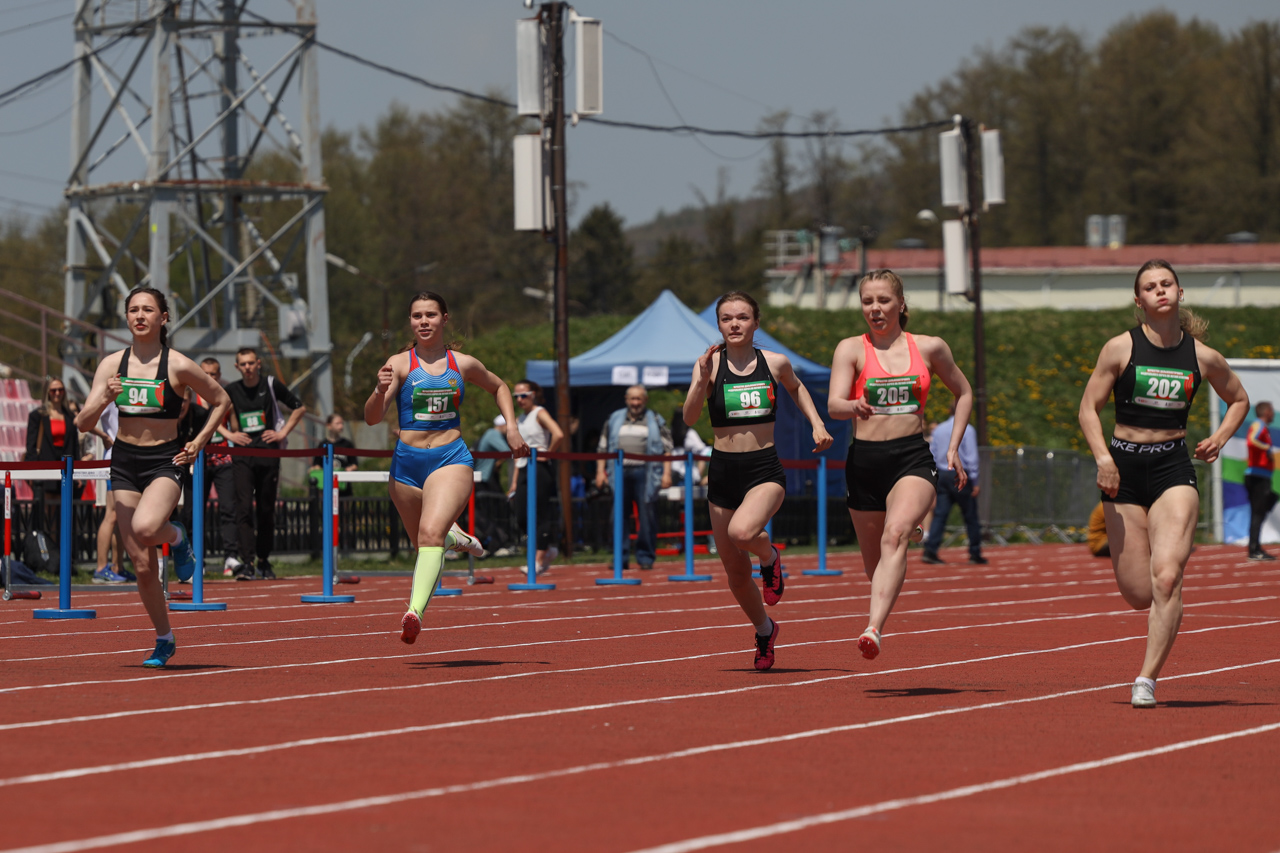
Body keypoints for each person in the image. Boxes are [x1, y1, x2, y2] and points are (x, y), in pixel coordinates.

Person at [1078, 259, 1249, 708]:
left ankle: (1146, 679)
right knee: (1138, 593)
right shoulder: (1119, 348)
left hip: (1173, 467)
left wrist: (1219, 437)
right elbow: (1087, 409)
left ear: (1179, 292)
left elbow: (1239, 398)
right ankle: (1159, 610)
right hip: (1123, 472)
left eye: (1166, 283)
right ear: (1139, 301)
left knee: (1168, 577)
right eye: (1150, 286)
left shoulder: (1202, 356)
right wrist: (1103, 458)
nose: (1160, 290)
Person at [75, 286, 231, 668]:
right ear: (126, 318)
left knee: (147, 529)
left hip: (165, 459)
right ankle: (164, 638)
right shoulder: (111, 365)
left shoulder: (177, 364)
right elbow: (82, 422)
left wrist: (198, 441)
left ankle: (177, 537)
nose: (140, 316)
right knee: (141, 564)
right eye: (133, 310)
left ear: (164, 318)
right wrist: (103, 399)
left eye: (148, 310)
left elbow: (222, 400)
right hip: (125, 461)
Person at [364, 291, 527, 645]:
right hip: (406, 465)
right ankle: (457, 538)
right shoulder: (400, 363)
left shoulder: (462, 364)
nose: (423, 321)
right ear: (410, 322)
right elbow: (373, 419)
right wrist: (378, 392)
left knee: (429, 537)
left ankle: (414, 613)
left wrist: (512, 429)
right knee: (425, 544)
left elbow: (499, 386)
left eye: (430, 315)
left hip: (450, 458)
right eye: (417, 316)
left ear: (444, 319)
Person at [829, 269, 975, 663]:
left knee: (894, 534)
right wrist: (853, 406)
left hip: (911, 457)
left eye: (883, 301)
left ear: (901, 304)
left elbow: (963, 392)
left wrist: (954, 448)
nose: (875, 309)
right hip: (864, 463)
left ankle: (872, 629)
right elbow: (833, 404)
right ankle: (901, 543)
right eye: (867, 302)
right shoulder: (851, 349)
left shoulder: (929, 348)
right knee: (874, 566)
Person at [684, 291, 833, 671]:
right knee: (734, 572)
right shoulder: (709, 365)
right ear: (718, 324)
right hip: (722, 471)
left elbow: (797, 388)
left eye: (743, 317)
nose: (734, 324)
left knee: (743, 531)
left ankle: (769, 556)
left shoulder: (776, 362)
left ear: (756, 322)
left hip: (763, 468)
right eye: (727, 318)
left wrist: (817, 424)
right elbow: (689, 418)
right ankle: (765, 630)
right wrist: (701, 380)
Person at [221, 347, 306, 581]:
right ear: (237, 367)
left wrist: (282, 433)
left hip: (268, 454)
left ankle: (264, 560)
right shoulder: (231, 390)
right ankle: (247, 562)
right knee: (244, 508)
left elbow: (299, 407)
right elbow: (214, 417)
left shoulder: (270, 384)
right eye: (243, 364)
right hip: (242, 455)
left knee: (266, 509)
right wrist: (230, 436)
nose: (247, 368)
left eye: (251, 363)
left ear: (258, 363)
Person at [595, 385, 673, 571]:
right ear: (626, 399)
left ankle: (645, 557)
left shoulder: (654, 419)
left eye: (639, 399)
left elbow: (668, 448)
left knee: (647, 515)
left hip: (646, 472)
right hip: (618, 472)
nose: (635, 403)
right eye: (632, 399)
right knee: (618, 516)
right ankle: (619, 558)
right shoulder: (614, 418)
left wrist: (666, 474)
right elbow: (602, 447)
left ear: (645, 400)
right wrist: (600, 472)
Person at [509, 380, 564, 573]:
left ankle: (539, 559)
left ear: (533, 395)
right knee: (522, 515)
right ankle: (548, 548)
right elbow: (517, 453)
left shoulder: (539, 413)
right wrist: (514, 481)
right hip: (524, 466)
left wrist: (547, 453)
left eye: (524, 395)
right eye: (516, 396)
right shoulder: (519, 419)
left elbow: (558, 434)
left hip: (539, 467)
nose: (520, 400)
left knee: (540, 513)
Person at [922, 400, 986, 565]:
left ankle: (930, 550)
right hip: (960, 474)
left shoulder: (939, 429)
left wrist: (934, 477)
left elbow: (933, 453)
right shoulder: (968, 429)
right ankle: (975, 552)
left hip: (942, 474)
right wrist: (975, 480)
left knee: (940, 514)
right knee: (970, 515)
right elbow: (971, 456)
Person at [194, 357, 240, 576]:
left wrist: (234, 436)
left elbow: (235, 426)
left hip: (222, 459)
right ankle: (196, 559)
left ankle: (231, 556)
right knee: (195, 511)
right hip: (197, 460)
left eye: (214, 374)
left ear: (219, 376)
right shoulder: (191, 397)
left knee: (228, 508)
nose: (210, 378)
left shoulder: (225, 398)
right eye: (205, 374)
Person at [25, 378, 82, 536]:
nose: (57, 393)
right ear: (48, 393)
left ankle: (64, 552)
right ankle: (49, 552)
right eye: (53, 390)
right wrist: (30, 471)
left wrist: (77, 472)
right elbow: (30, 446)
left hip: (65, 466)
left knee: (64, 512)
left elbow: (74, 445)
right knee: (48, 513)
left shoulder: (70, 416)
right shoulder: (38, 416)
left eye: (60, 390)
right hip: (46, 466)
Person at [1243, 401, 1278, 561]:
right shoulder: (1259, 425)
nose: (1273, 414)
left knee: (1266, 504)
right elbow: (1251, 440)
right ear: (1266, 412)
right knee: (1258, 513)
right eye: (1271, 411)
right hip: (1257, 477)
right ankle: (1254, 550)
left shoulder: (1264, 427)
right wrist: (1266, 449)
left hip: (1262, 476)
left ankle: (1255, 547)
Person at [670, 406, 709, 487]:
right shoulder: (690, 434)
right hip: (687, 475)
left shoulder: (670, 433)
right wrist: (699, 473)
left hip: (672, 472)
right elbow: (704, 451)